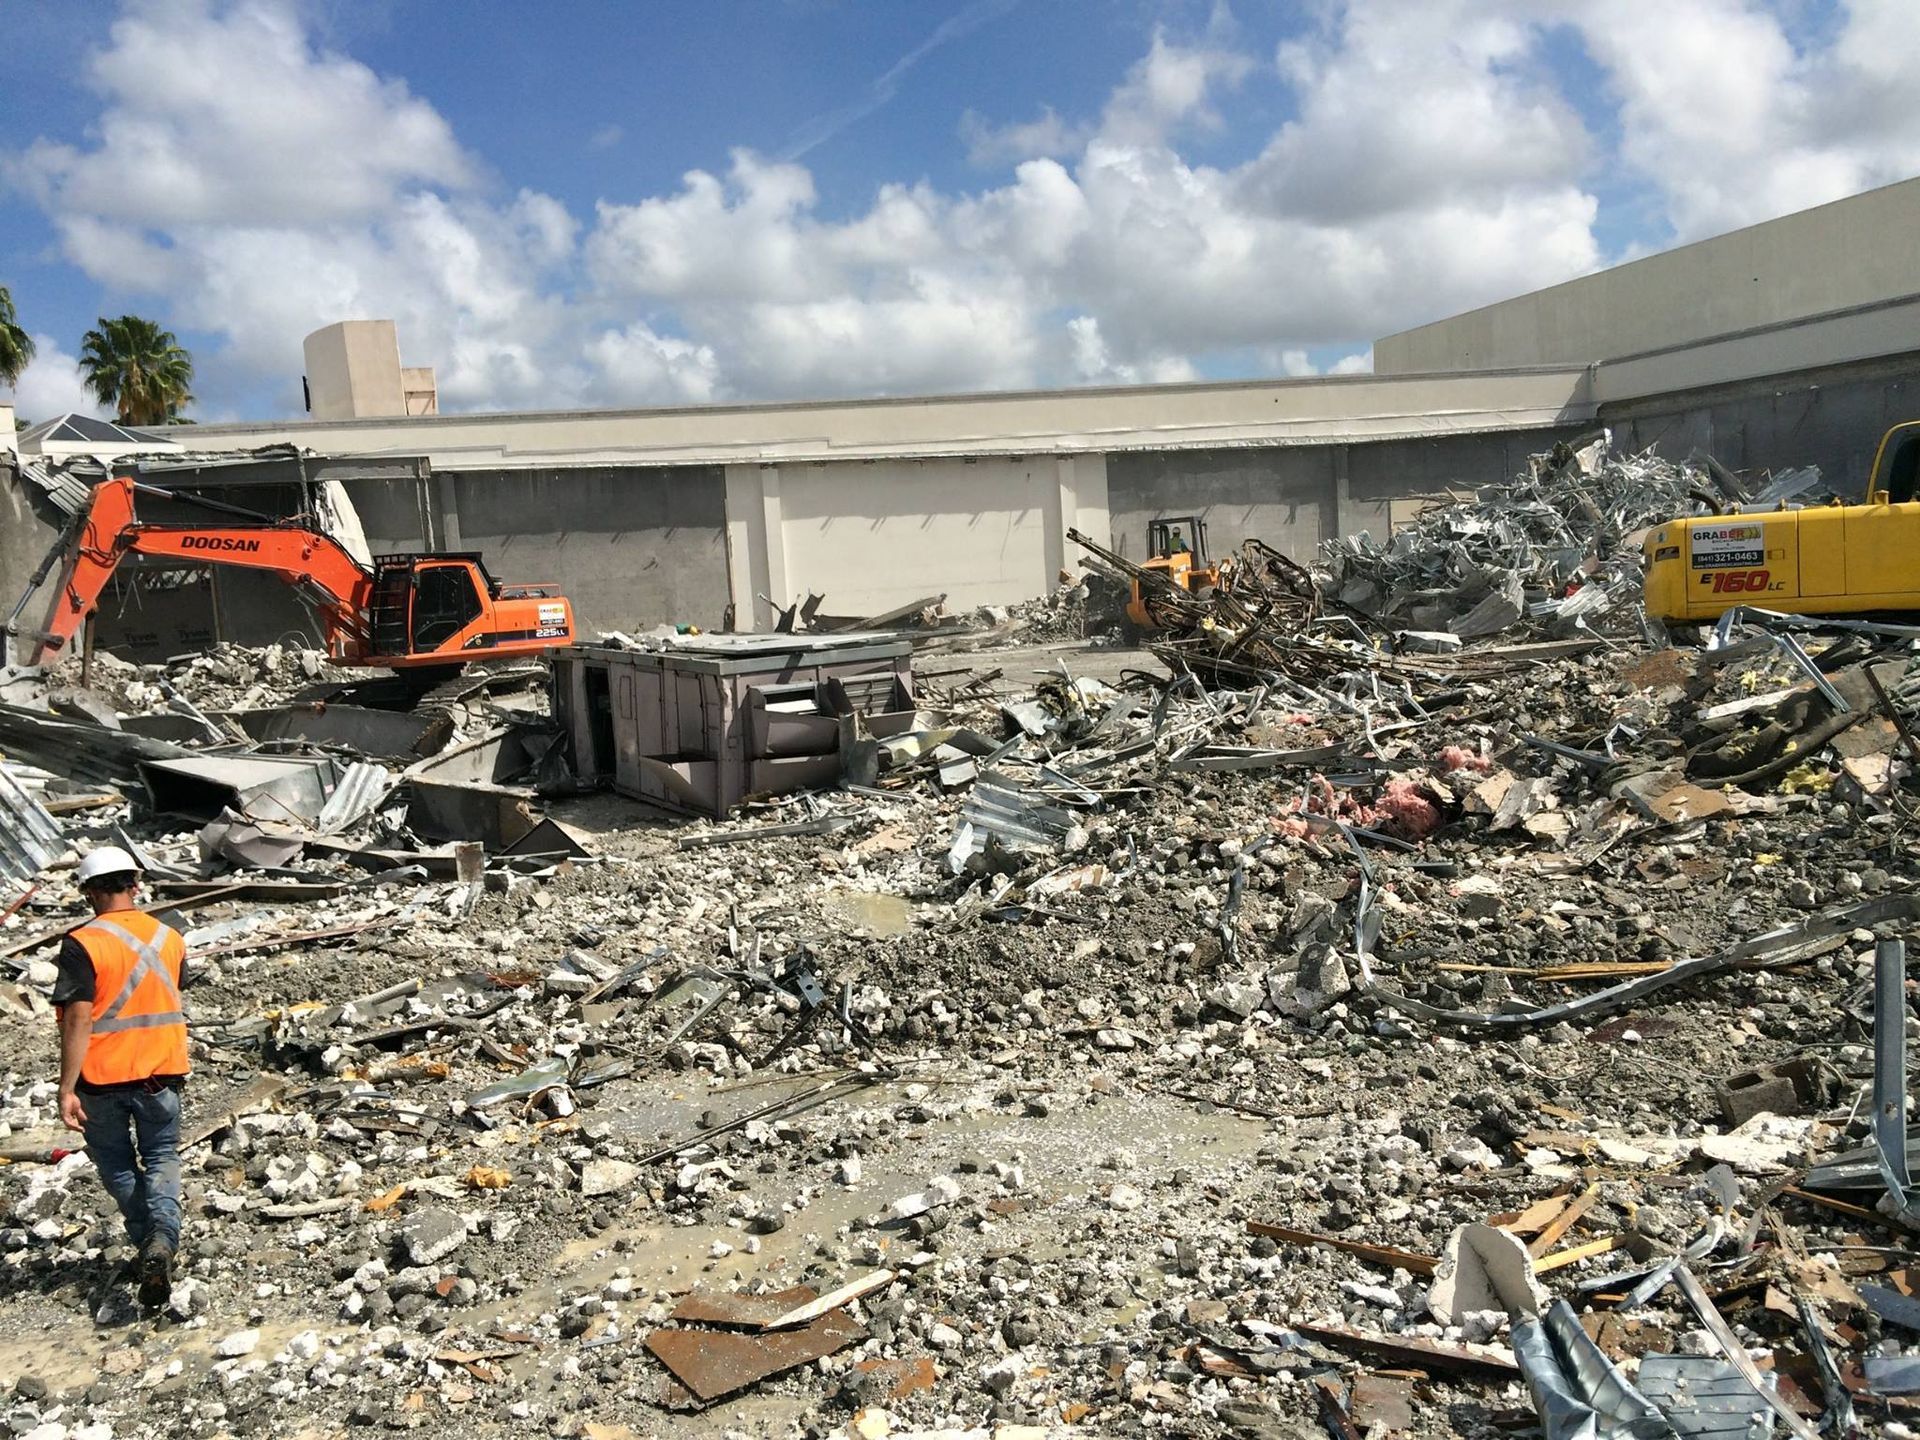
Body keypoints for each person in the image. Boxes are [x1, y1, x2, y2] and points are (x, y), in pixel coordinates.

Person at [50, 846, 189, 1309]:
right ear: (136, 883)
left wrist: (67, 1087)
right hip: (161, 1073)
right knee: (163, 1154)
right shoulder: (169, 937)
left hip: (102, 1079)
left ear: (89, 891)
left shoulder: (82, 942)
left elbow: (78, 1017)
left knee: (116, 1164)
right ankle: (163, 1239)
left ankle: (149, 1239)